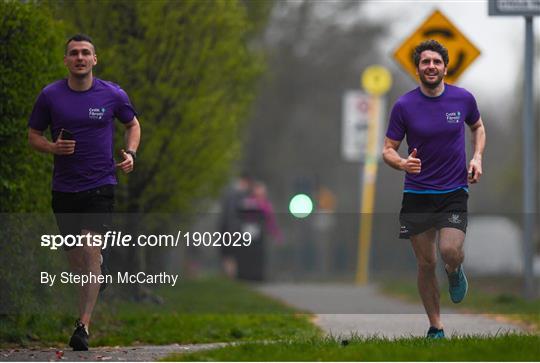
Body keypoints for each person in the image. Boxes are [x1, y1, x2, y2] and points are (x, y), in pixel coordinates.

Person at [28, 34, 141, 350]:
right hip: (64, 188)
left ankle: (83, 326)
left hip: (100, 184)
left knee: (90, 247)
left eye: (85, 53)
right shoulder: (50, 96)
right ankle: (99, 271)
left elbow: (133, 125)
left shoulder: (112, 95)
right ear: (66, 60)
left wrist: (131, 154)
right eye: (73, 53)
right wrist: (51, 147)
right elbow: (33, 135)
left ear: (95, 59)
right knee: (78, 263)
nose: (79, 57)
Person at [382, 40, 486, 339]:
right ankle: (436, 326)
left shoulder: (463, 99)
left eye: (436, 62)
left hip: (453, 190)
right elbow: (388, 149)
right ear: (417, 68)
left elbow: (477, 127)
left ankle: (454, 271)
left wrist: (477, 156)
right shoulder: (404, 105)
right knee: (426, 263)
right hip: (417, 193)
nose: (431, 66)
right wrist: (402, 163)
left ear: (445, 67)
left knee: (450, 250)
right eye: (425, 62)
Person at [218, 174, 253, 278]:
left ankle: (230, 276)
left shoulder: (232, 194)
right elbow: (232, 214)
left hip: (228, 228)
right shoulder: (237, 195)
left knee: (228, 255)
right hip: (232, 229)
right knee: (231, 255)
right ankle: (231, 277)